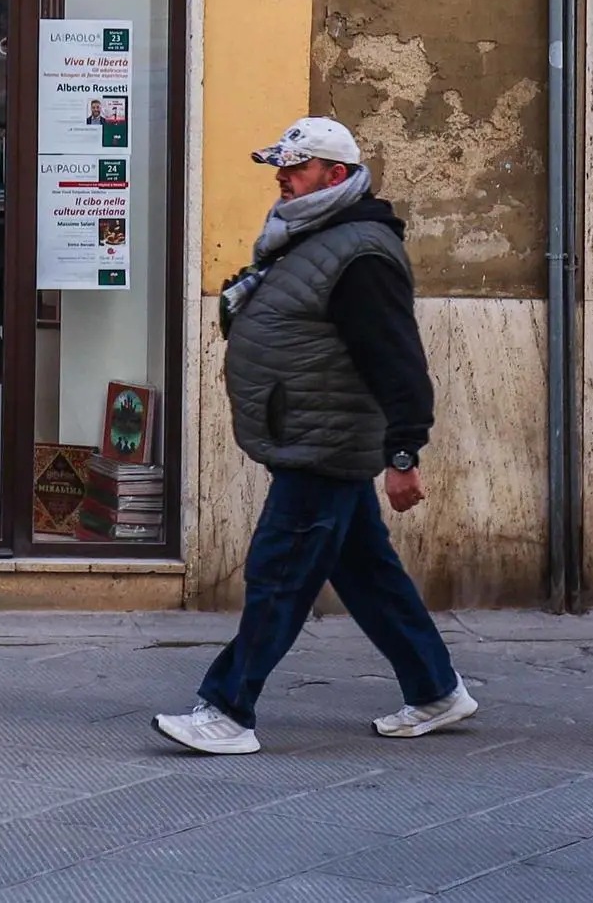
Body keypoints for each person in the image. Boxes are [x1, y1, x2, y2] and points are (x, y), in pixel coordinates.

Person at [155, 116, 477, 756]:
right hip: (309, 431)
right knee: (367, 573)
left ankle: (226, 711)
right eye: (281, 165)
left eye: (295, 167)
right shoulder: (312, 235)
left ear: (336, 176)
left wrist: (405, 451)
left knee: (279, 576)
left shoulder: (359, 253)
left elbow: (397, 358)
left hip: (324, 444)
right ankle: (436, 689)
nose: (282, 176)